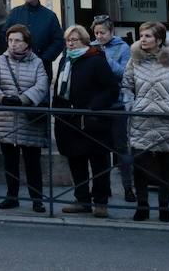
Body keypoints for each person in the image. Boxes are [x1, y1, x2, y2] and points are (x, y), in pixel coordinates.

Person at [122, 21, 169, 222]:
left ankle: (164, 207)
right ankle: (142, 206)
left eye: (148, 36)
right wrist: (131, 106)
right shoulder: (134, 61)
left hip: (166, 119)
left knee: (166, 167)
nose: (142, 38)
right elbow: (126, 85)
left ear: (159, 39)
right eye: (141, 35)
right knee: (140, 166)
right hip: (141, 119)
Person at [52, 24, 118, 217]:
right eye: (68, 40)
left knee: (98, 162)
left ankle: (100, 202)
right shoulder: (65, 59)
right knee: (76, 160)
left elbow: (111, 88)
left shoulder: (96, 59)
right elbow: (59, 87)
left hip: (92, 120)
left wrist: (92, 107)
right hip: (68, 119)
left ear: (84, 41)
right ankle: (81, 199)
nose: (70, 44)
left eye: (74, 40)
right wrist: (57, 110)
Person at [0, 23, 49, 212]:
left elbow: (42, 85)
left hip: (28, 119)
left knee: (32, 162)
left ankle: (37, 199)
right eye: (10, 40)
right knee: (10, 162)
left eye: (17, 41)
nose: (13, 44)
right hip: (6, 118)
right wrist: (1, 97)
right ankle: (11, 196)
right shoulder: (0, 60)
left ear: (27, 43)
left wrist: (23, 99)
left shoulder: (37, 62)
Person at [91, 15, 135, 202]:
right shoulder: (92, 47)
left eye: (103, 33)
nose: (99, 36)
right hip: (98, 103)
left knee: (120, 147)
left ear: (111, 32)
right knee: (99, 148)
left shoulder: (123, 48)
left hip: (117, 103)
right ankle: (103, 189)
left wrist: (105, 57)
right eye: (96, 33)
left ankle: (128, 188)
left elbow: (124, 73)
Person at [3, 0, 64, 76]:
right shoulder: (14, 13)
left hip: (41, 68)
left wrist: (43, 59)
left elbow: (59, 41)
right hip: (16, 67)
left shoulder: (49, 16)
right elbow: (4, 35)